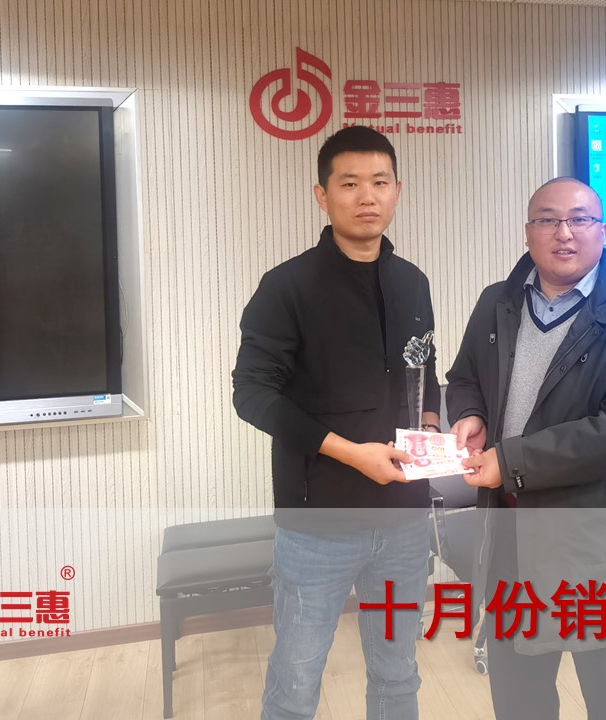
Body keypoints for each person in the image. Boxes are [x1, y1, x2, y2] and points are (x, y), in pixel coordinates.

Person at [232, 126, 440, 720]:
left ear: (398, 190)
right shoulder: (286, 286)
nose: (367, 196)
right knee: (297, 681)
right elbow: (252, 394)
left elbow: (422, 373)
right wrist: (351, 452)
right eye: (349, 184)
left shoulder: (413, 282)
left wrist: (430, 427)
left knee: (398, 673)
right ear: (322, 196)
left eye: (379, 182)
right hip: (317, 523)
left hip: (404, 520)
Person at [446, 177, 606, 720]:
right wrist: (471, 414)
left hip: (595, 544)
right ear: (528, 232)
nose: (563, 233)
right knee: (519, 701)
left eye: (579, 219)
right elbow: (465, 377)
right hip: (510, 537)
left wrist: (511, 461)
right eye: (548, 220)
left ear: (602, 230)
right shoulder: (497, 303)